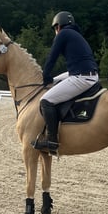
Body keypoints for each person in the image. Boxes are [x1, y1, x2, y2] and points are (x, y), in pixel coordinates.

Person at [32, 11, 99, 154]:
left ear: (58, 26)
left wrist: (45, 76)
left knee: (46, 100)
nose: (56, 31)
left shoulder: (63, 34)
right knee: (56, 81)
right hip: (87, 74)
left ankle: (51, 141)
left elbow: (52, 57)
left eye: (55, 28)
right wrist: (51, 79)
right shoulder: (77, 35)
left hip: (81, 77)